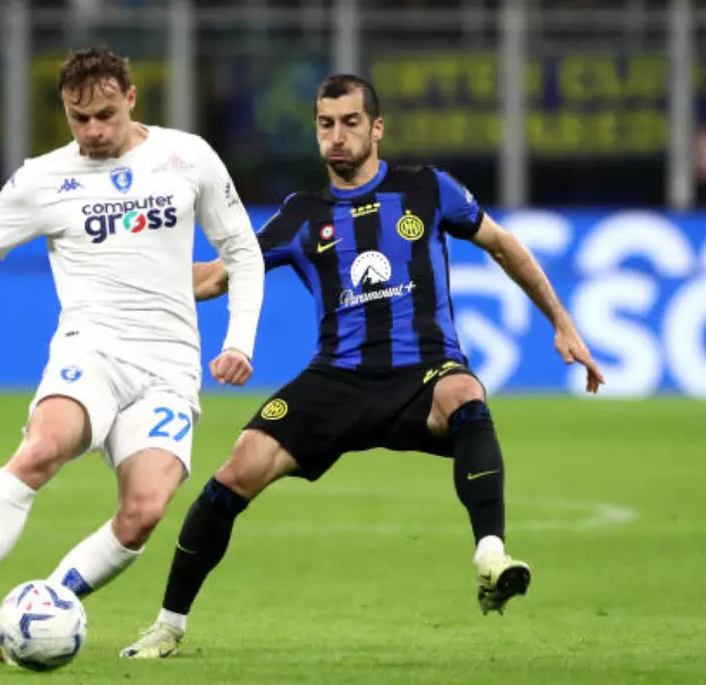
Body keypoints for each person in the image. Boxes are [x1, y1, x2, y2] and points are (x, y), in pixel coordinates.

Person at [120, 74, 605, 659]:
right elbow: (218, 276)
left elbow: (502, 244)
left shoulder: (428, 188)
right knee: (235, 471)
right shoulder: (301, 214)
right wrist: (131, 274)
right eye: (326, 124)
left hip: (423, 371)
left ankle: (491, 554)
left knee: (465, 396)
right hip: (338, 378)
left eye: (350, 123)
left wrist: (563, 323)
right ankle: (168, 626)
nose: (337, 136)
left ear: (376, 128)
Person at [0, 47, 264, 659]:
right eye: (79, 119)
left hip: (170, 367)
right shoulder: (43, 178)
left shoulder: (187, 156)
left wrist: (238, 341)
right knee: (41, 449)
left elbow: (242, 251)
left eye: (105, 116)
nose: (93, 131)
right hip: (92, 351)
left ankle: (43, 608)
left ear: (131, 99)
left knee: (143, 512)